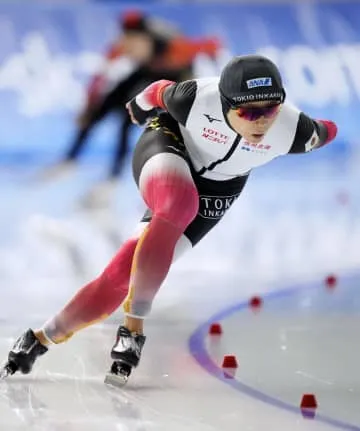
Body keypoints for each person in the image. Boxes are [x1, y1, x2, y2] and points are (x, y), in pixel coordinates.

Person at [2, 54, 338, 385]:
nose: (261, 122)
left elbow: (328, 130)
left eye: (270, 109)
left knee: (121, 276)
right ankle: (132, 329)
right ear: (223, 104)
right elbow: (157, 90)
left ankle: (38, 339)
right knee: (179, 202)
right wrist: (137, 106)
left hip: (218, 190)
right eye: (248, 111)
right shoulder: (194, 99)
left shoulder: (295, 131)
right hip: (168, 144)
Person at [47, 9, 220, 208]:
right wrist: (88, 106)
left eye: (135, 45)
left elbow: (212, 45)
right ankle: (70, 160)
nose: (129, 51)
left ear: (149, 39)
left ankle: (114, 179)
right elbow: (99, 77)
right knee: (101, 108)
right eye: (126, 44)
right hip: (148, 71)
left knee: (126, 119)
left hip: (175, 77)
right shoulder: (124, 47)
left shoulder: (176, 48)